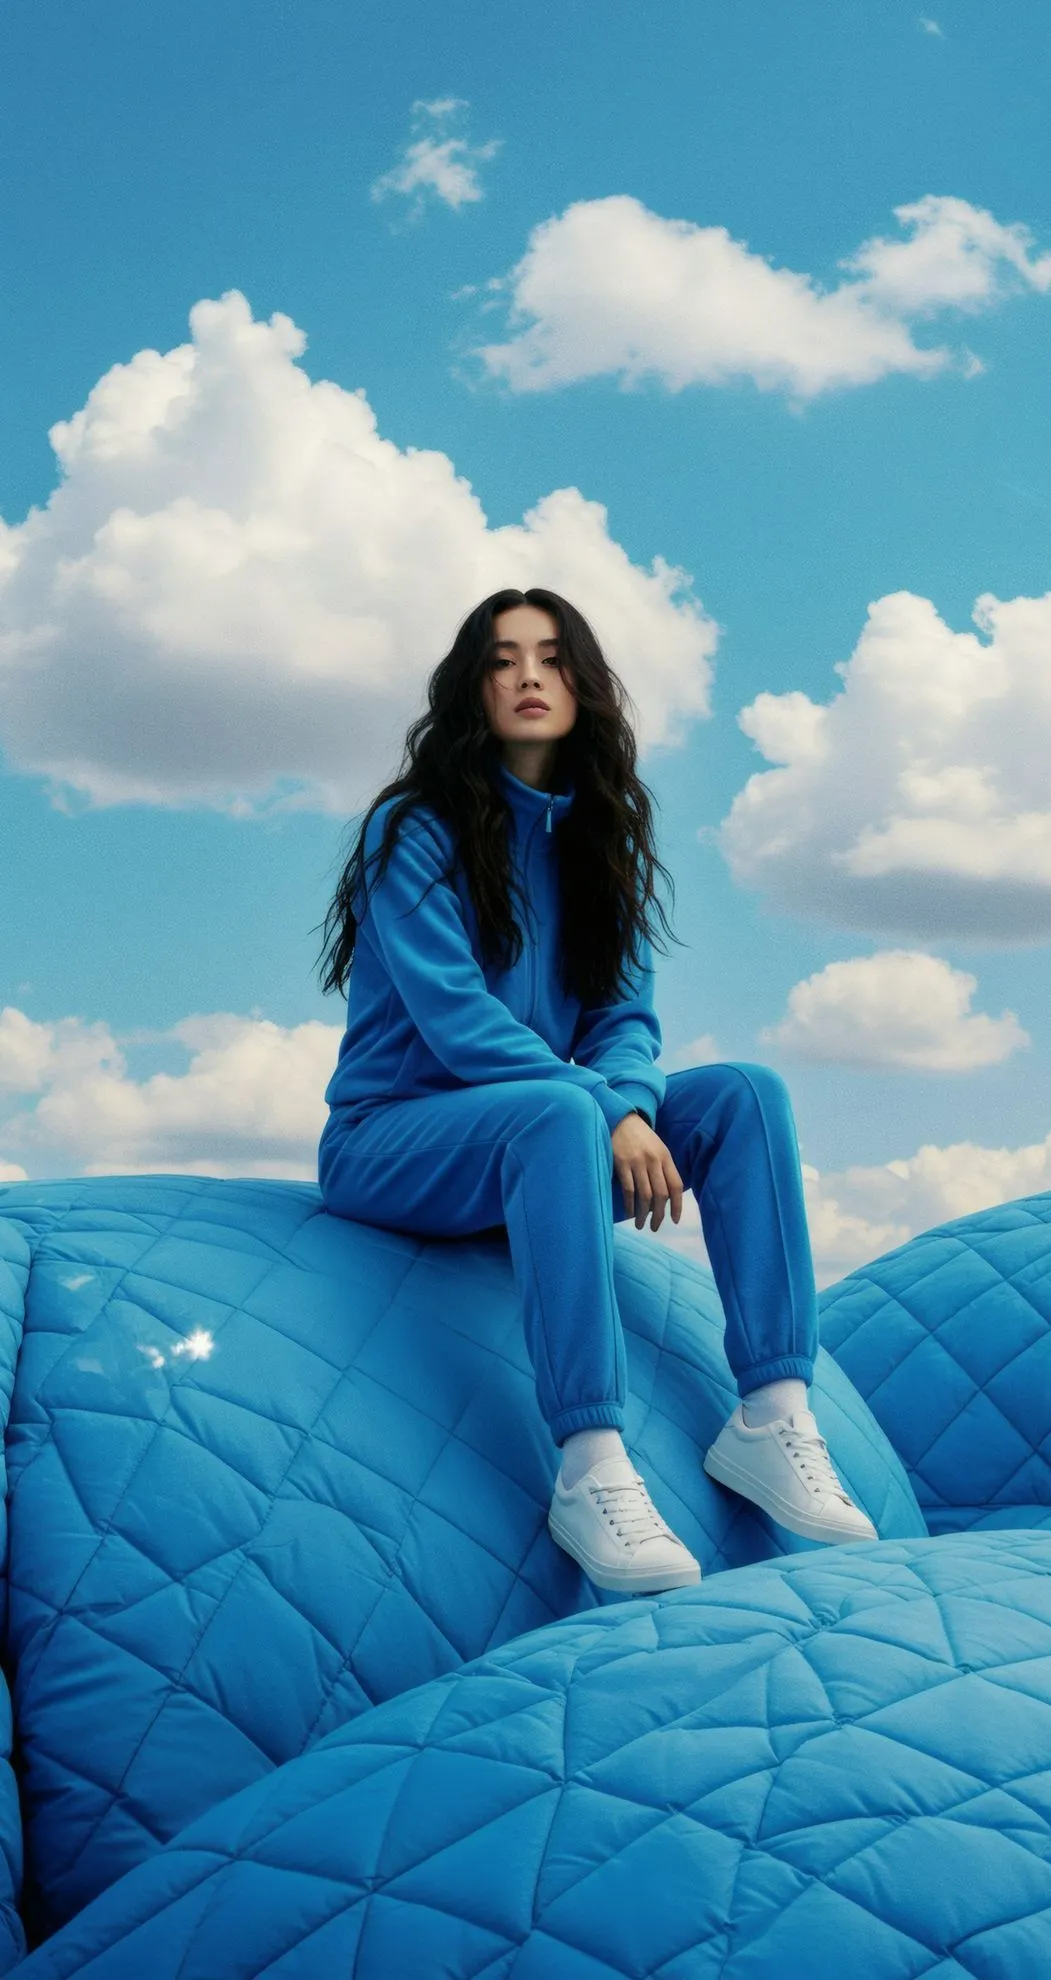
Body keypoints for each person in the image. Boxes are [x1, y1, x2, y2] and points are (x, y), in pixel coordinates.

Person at [314, 586, 877, 1597]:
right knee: (562, 1107)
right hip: (393, 1140)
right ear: (471, 688)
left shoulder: (599, 843)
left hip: (548, 1141)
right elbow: (455, 1021)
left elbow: (625, 1022)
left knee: (746, 1093)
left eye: (551, 657)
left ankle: (773, 1413)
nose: (529, 675)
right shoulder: (414, 831)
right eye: (502, 659)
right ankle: (589, 1467)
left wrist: (623, 1100)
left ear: (583, 684)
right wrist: (606, 1108)